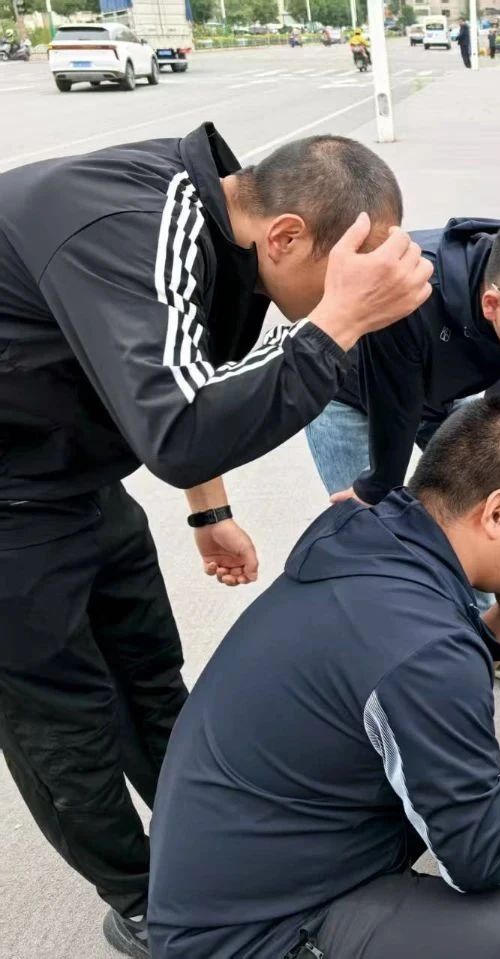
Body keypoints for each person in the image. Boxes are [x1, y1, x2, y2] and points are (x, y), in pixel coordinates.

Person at [0, 126, 430, 957]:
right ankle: (147, 903)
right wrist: (335, 324)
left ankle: (213, 845)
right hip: (11, 500)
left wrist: (209, 512)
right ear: (287, 235)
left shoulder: (224, 234)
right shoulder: (133, 228)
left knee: (151, 677)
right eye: (347, 273)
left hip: (72, 473)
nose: (354, 295)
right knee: (63, 723)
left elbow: (188, 379)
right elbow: (181, 432)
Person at [148, 397, 500, 959]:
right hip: (247, 937)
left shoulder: (371, 537)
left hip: (236, 871)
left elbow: (399, 671)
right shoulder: (424, 648)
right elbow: (477, 856)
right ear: (497, 512)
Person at [304, 205, 500, 505]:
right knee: (371, 520)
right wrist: (375, 488)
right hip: (350, 392)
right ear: (492, 305)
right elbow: (395, 409)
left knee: (495, 491)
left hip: (437, 391)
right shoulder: (412, 291)